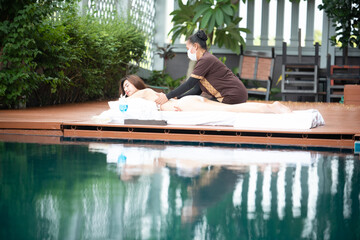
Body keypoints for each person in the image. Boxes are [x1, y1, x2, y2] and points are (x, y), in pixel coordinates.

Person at [155, 29, 248, 106]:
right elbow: (197, 90)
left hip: (233, 95)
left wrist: (168, 96)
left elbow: (189, 84)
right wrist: (177, 98)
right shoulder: (204, 60)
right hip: (233, 94)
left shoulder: (206, 59)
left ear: (195, 46)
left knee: (200, 107)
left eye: (188, 49)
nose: (187, 52)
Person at [120, 75, 291, 114]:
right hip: (187, 102)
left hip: (186, 105)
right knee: (233, 109)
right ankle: (270, 107)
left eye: (127, 86)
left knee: (232, 110)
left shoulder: (141, 93)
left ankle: (272, 108)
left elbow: (120, 105)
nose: (126, 90)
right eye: (124, 88)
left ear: (135, 83)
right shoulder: (146, 93)